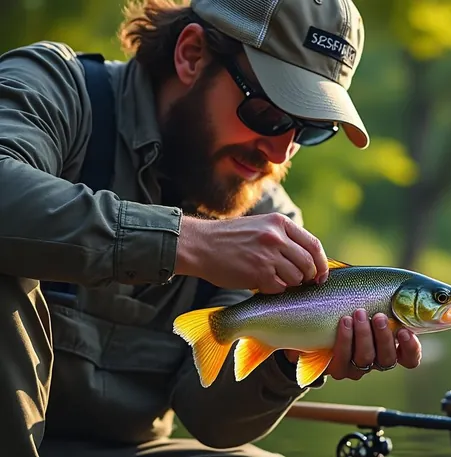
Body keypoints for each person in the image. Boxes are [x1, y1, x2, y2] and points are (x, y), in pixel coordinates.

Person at [0, 0, 424, 456]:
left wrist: (291, 354)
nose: (280, 152)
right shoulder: (55, 86)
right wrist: (186, 242)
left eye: (308, 129)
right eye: (269, 112)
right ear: (191, 54)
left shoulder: (269, 219)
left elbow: (211, 421)